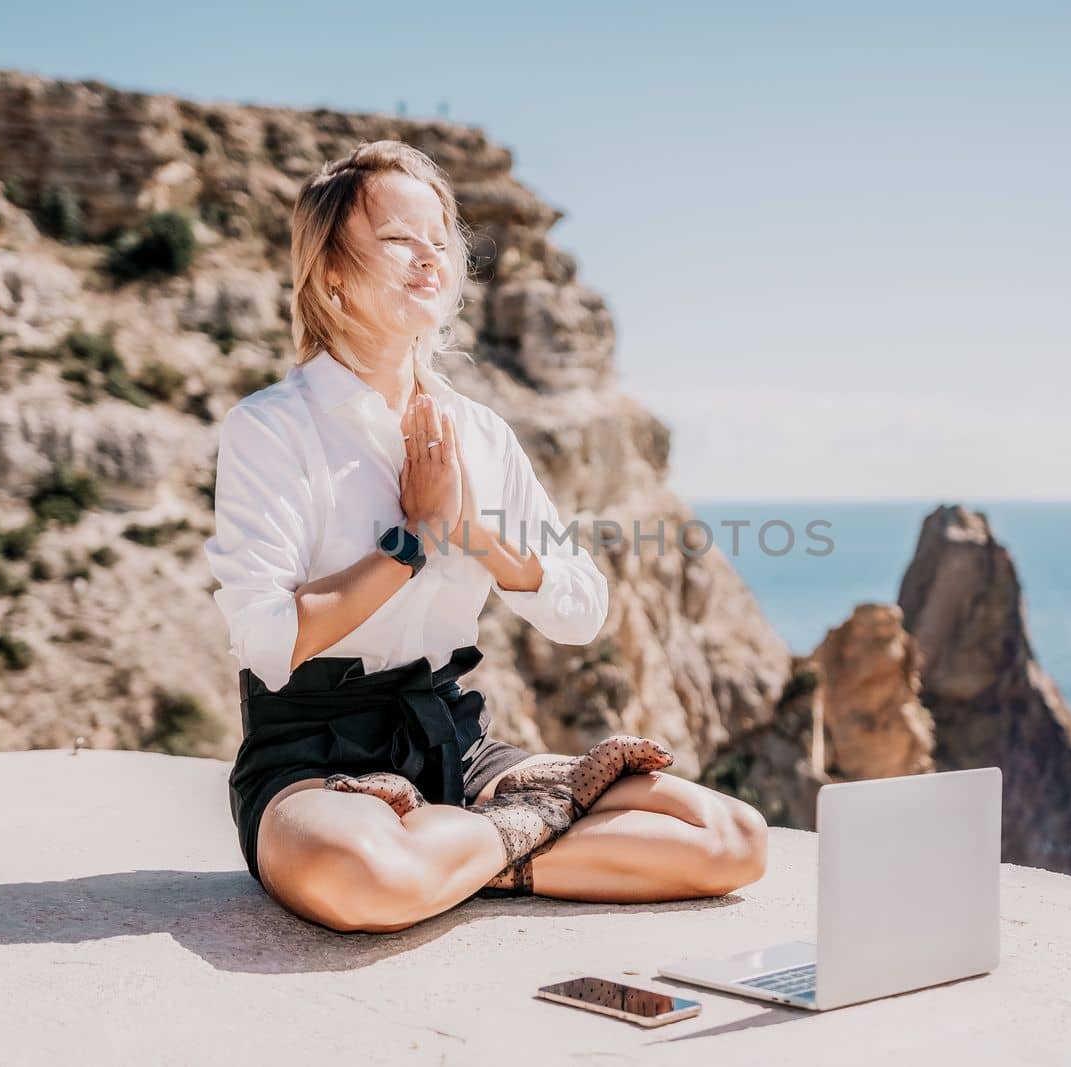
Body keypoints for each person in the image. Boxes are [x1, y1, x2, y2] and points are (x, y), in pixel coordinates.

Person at [203, 140, 767, 934]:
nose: (429, 256)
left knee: (729, 839)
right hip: (312, 758)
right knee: (363, 873)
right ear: (330, 271)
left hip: (454, 748)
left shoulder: (478, 433)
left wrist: (471, 531)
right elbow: (266, 641)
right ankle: (521, 832)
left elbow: (581, 612)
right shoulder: (272, 427)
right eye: (400, 239)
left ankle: (470, 842)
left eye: (440, 240)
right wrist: (413, 543)